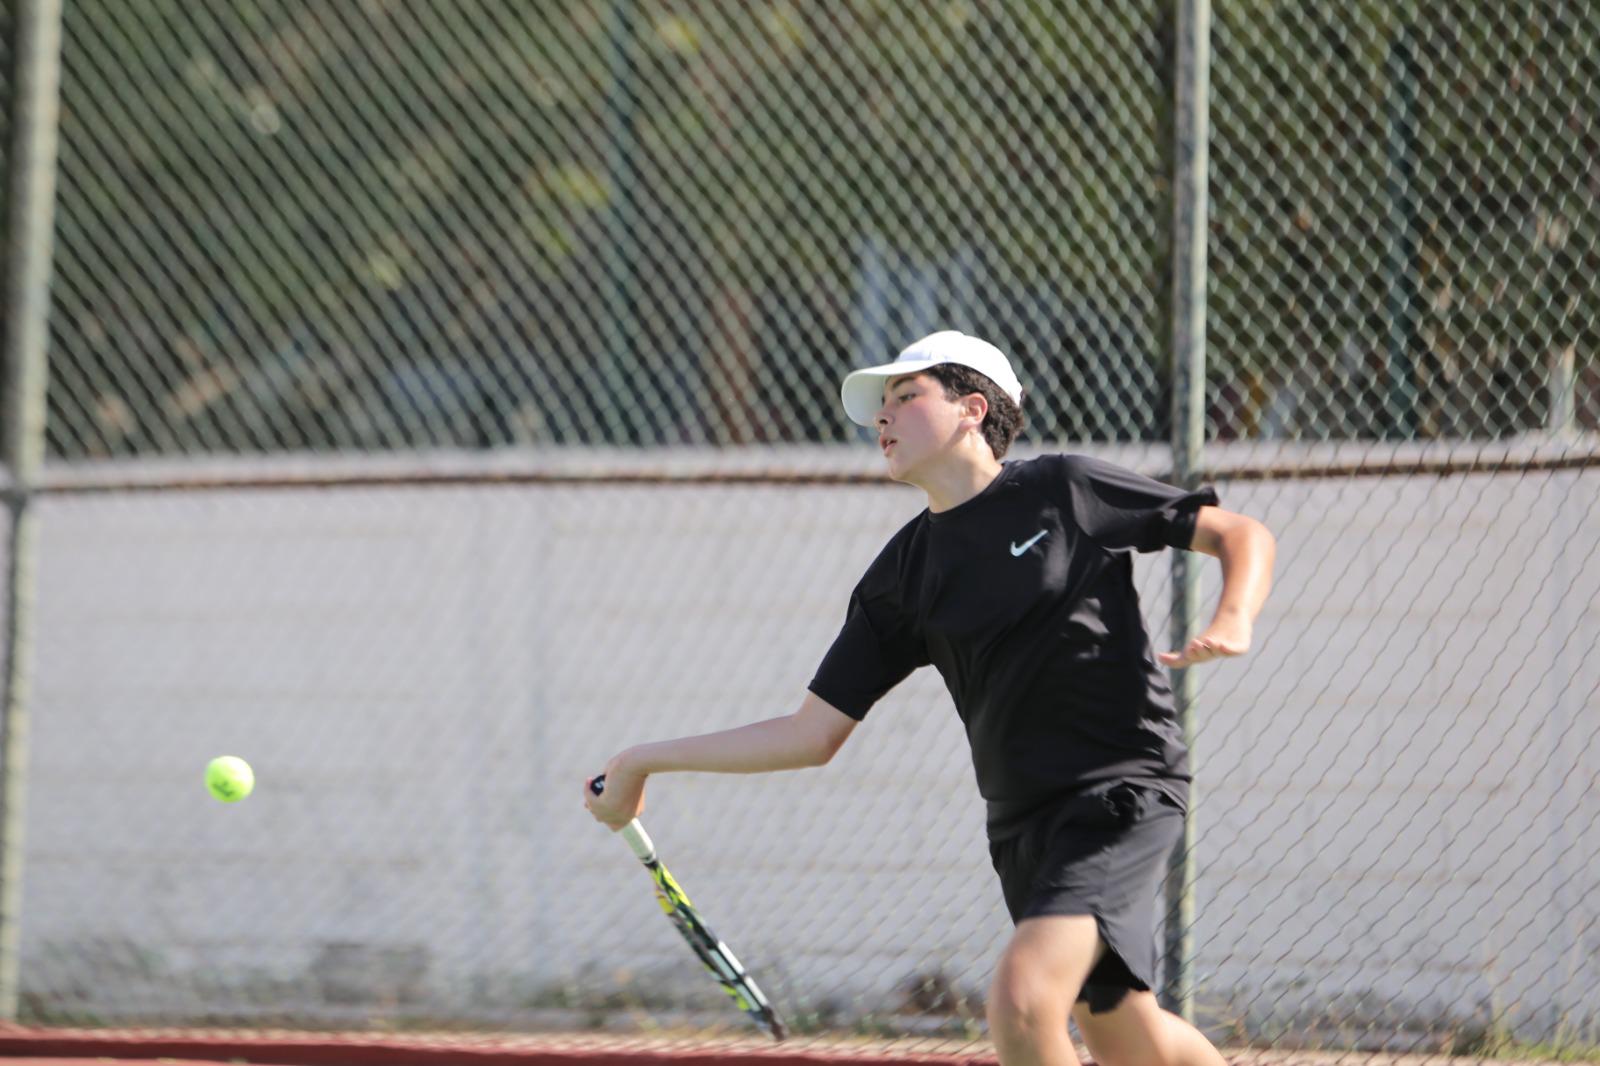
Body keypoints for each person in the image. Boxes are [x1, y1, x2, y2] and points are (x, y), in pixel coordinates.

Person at [584, 331, 1276, 1066]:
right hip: (1021, 828)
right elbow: (809, 733)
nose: (883, 420)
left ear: (972, 408)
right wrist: (640, 762)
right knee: (1122, 1028)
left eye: (906, 397)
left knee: (1020, 1000)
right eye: (879, 407)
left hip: (1119, 795)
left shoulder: (1061, 490)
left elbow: (1238, 532)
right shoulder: (900, 576)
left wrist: (1232, 617)